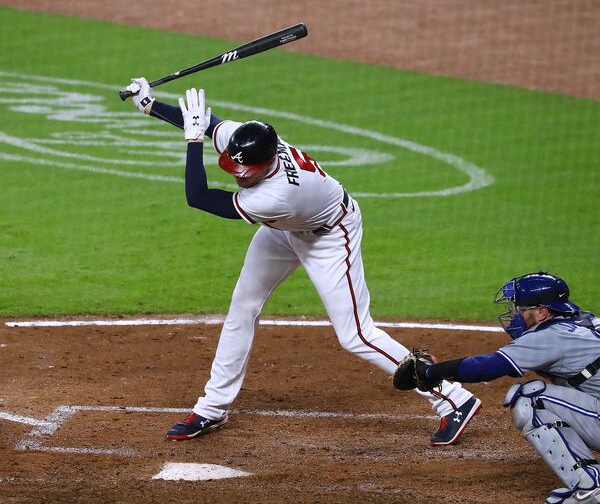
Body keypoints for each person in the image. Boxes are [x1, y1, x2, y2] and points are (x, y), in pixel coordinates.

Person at [123, 77, 481, 446]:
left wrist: (193, 141)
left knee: (356, 334)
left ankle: (453, 398)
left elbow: (198, 197)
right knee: (242, 306)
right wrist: (152, 106)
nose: (240, 178)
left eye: (246, 173)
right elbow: (210, 122)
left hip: (329, 234)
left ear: (266, 162)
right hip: (286, 230)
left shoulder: (278, 195)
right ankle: (213, 407)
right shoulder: (256, 143)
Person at [402, 271, 600, 503]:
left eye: (520, 309)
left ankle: (591, 488)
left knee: (531, 399)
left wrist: (430, 372)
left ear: (542, 312)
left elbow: (485, 367)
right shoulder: (583, 320)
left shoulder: (551, 337)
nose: (514, 314)